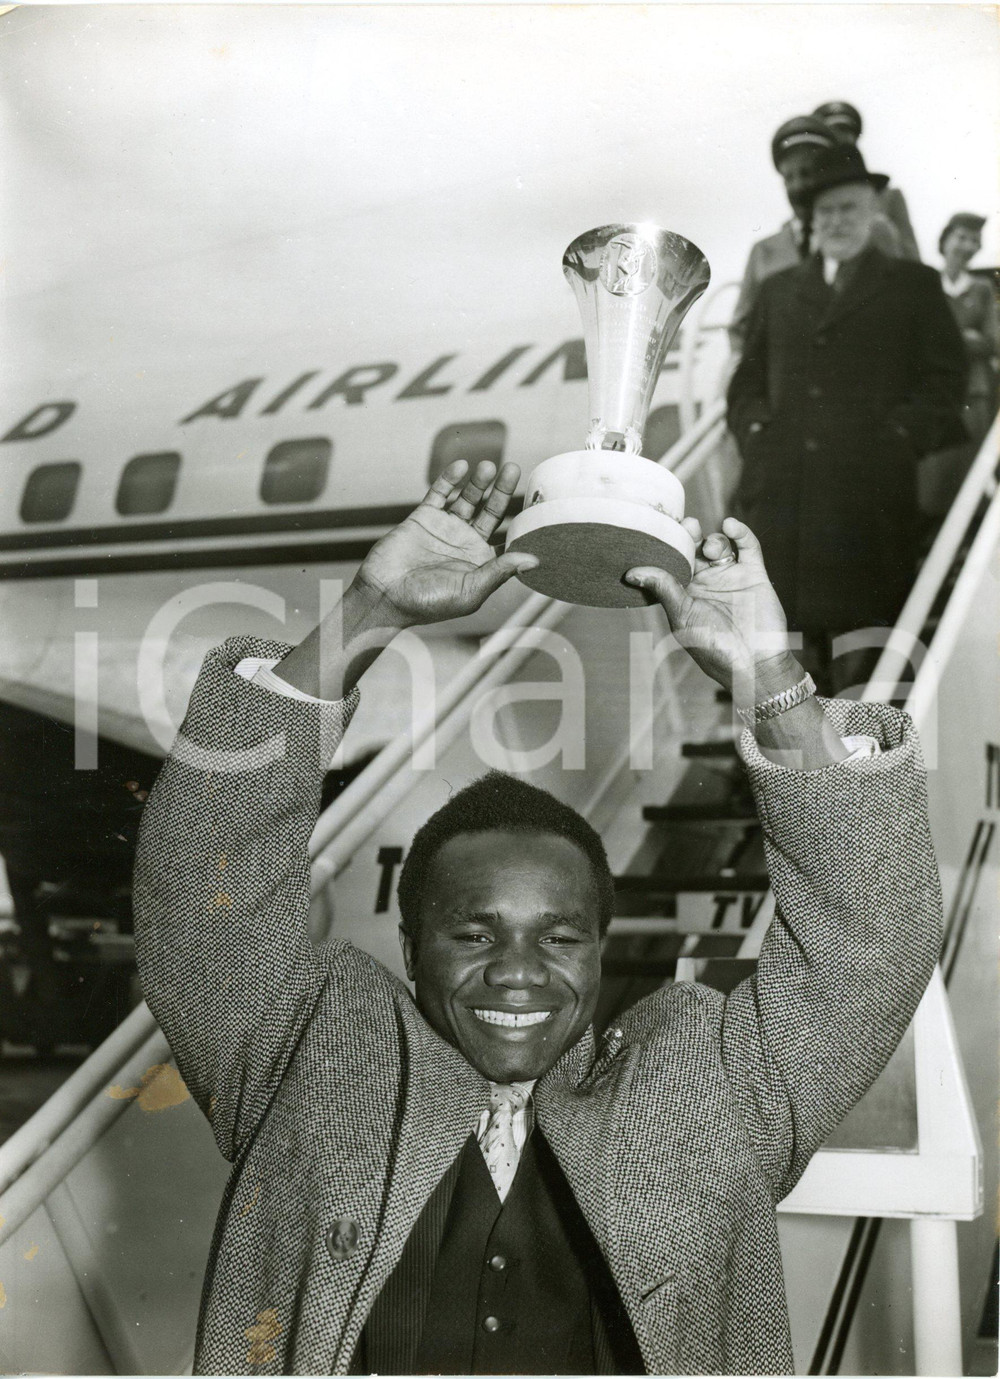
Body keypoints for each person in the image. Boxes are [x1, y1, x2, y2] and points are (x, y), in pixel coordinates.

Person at [134, 458, 943, 1375]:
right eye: (474, 934)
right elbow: (198, 876)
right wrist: (370, 612)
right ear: (410, 944)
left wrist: (768, 675)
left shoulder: (718, 1086)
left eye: (559, 937)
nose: (518, 972)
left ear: (600, 947)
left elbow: (874, 938)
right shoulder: (308, 1054)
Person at [728, 142, 967, 695]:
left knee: (864, 669)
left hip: (869, 503)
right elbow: (746, 383)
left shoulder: (913, 286)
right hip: (784, 503)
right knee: (782, 670)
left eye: (850, 208)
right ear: (810, 219)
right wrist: (757, 432)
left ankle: (854, 773)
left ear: (873, 213)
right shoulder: (778, 291)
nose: (837, 221)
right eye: (826, 211)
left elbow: (946, 384)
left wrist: (898, 440)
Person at [728, 115, 840, 357]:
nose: (798, 187)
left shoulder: (852, 239)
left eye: (806, 173)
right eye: (789, 177)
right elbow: (741, 329)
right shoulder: (764, 251)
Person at [919, 213, 998, 519]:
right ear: (945, 240)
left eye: (974, 240)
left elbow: (992, 341)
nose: (966, 246)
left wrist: (944, 337)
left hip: (972, 393)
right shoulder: (927, 284)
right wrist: (964, 336)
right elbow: (917, 339)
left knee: (968, 473)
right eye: (961, 237)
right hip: (933, 390)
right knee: (930, 476)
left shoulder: (980, 289)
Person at [812, 100, 920, 260]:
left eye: (847, 138)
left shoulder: (888, 197)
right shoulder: (802, 214)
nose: (842, 143)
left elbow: (911, 259)